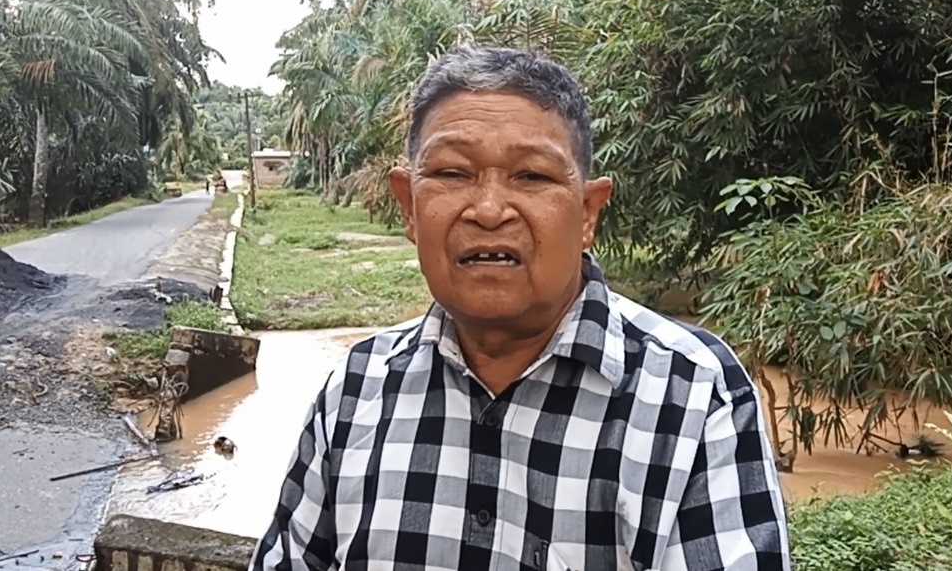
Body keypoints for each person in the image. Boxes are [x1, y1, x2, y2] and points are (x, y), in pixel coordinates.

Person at [249, 44, 791, 571]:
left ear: (587, 213)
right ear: (409, 206)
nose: (488, 211)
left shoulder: (692, 396)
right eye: (453, 174)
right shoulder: (356, 388)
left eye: (531, 176)